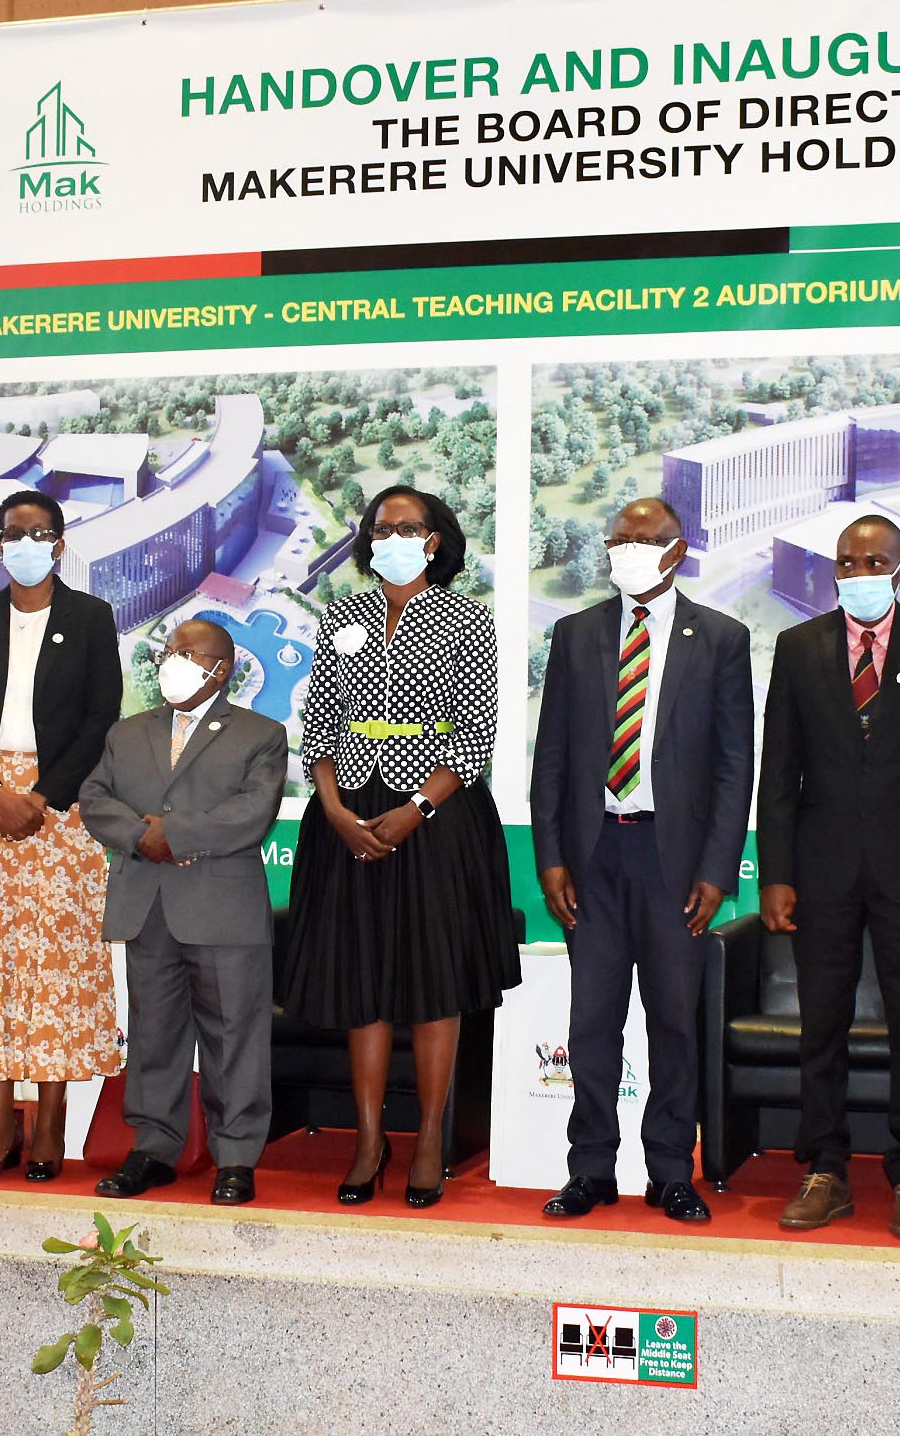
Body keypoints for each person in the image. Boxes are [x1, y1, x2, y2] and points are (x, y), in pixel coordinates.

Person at [281, 485, 521, 1209]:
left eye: (407, 526)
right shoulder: (343, 614)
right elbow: (320, 720)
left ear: (435, 540)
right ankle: (365, 1140)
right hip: (348, 811)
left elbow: (476, 735)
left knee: (434, 983)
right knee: (363, 984)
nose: (391, 537)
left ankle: (429, 1141)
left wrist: (415, 809)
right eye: (380, 527)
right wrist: (331, 808)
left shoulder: (466, 617)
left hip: (437, 817)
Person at [530, 497, 753, 1226]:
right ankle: (591, 1168)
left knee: (674, 1025)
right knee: (592, 1023)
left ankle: (668, 1172)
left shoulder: (720, 637)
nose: (624, 550)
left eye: (640, 540)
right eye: (617, 539)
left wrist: (717, 871)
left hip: (675, 861)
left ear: (675, 550)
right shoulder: (576, 633)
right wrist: (552, 858)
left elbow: (732, 767)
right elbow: (553, 755)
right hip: (593, 856)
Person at [757, 513, 900, 1240]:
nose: (859, 573)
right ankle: (825, 1170)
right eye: (847, 563)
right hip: (818, 873)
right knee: (821, 1024)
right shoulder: (798, 647)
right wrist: (775, 873)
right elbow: (778, 771)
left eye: (874, 561)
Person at [0, 490, 123, 1183]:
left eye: (42, 533)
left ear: (60, 544)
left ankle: (51, 1126)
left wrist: (41, 796)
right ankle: (0, 1125)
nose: (28, 544)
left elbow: (102, 717)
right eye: (15, 534)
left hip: (61, 809)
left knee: (54, 967)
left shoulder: (91, 617)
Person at [82, 618, 287, 1205]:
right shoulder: (128, 732)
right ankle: (153, 1148)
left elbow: (254, 811)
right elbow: (96, 798)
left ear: (219, 669)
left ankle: (236, 1158)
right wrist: (141, 837)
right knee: (153, 1034)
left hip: (222, 906)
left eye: (187, 652)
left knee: (234, 1035)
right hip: (148, 904)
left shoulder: (260, 733)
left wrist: (174, 835)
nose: (171, 660)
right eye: (169, 650)